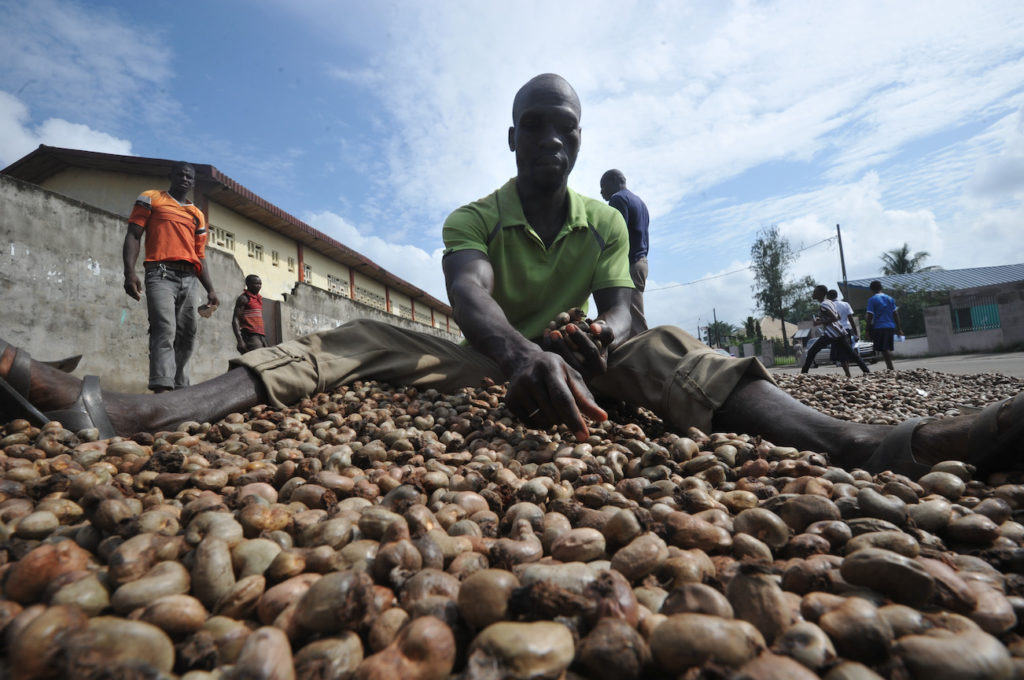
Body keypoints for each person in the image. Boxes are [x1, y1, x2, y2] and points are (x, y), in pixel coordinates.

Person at [2, 74, 1021, 480]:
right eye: (536, 127)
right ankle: (127, 409)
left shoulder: (601, 218)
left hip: (574, 363)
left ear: (578, 145)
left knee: (658, 345)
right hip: (491, 359)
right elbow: (471, 301)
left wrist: (587, 340)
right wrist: (524, 352)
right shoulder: (474, 216)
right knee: (352, 336)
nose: (551, 141)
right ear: (513, 137)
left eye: (566, 130)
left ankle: (875, 441)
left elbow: (621, 306)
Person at [122, 162, 219, 392]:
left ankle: (180, 387)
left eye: (189, 177)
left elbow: (200, 255)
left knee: (187, 333)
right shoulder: (151, 198)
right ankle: (162, 388)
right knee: (164, 328)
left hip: (190, 278)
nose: (185, 179)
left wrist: (211, 289)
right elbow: (134, 235)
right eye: (180, 174)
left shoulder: (197, 214)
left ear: (193, 182)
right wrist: (129, 272)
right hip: (160, 273)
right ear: (171, 176)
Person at [600, 169, 650, 336]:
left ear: (614, 181)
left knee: (631, 317)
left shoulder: (618, 199)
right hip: (641, 261)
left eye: (603, 186)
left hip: (629, 265)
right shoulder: (640, 202)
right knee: (633, 312)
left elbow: (616, 235)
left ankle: (647, 354)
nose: (601, 192)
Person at [801, 285, 870, 378]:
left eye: (815, 292)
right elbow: (836, 316)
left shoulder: (824, 304)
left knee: (812, 351)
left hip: (832, 333)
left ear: (821, 293)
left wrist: (820, 322)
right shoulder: (829, 302)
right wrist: (820, 319)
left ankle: (803, 374)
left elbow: (835, 317)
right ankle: (867, 371)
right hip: (839, 332)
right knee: (852, 354)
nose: (813, 294)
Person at [866, 280, 904, 371]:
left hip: (879, 326)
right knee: (887, 347)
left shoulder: (872, 300)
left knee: (883, 348)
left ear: (871, 289)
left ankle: (890, 368)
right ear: (881, 288)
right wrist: (899, 328)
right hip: (891, 326)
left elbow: (870, 315)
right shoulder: (890, 298)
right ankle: (889, 366)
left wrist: (867, 329)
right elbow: (895, 314)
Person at [233, 275, 268, 354]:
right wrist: (240, 340)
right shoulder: (244, 298)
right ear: (248, 284)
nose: (259, 286)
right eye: (256, 284)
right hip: (250, 336)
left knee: (267, 359)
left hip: (261, 335)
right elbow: (235, 319)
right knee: (257, 359)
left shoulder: (258, 299)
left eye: (260, 284)